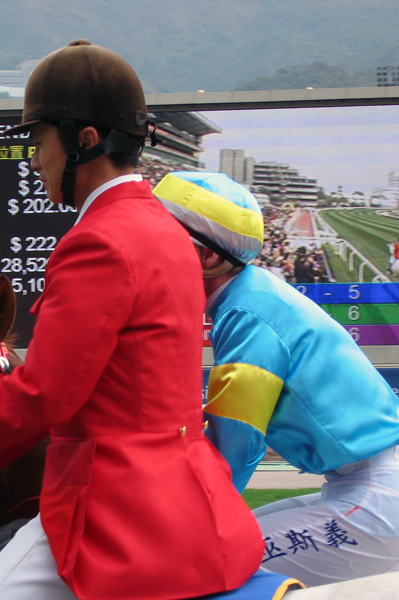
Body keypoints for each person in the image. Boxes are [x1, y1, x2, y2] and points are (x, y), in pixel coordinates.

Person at [0, 41, 264, 600]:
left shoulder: (98, 241)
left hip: (116, 511)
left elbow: (43, 397)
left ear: (85, 139)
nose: (34, 161)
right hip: (191, 503)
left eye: (38, 143)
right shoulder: (164, 229)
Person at [153, 171, 399, 586]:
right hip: (364, 484)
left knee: (197, 562)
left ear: (207, 257)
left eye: (155, 240)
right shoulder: (250, 294)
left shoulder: (245, 312)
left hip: (377, 497)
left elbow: (237, 444)